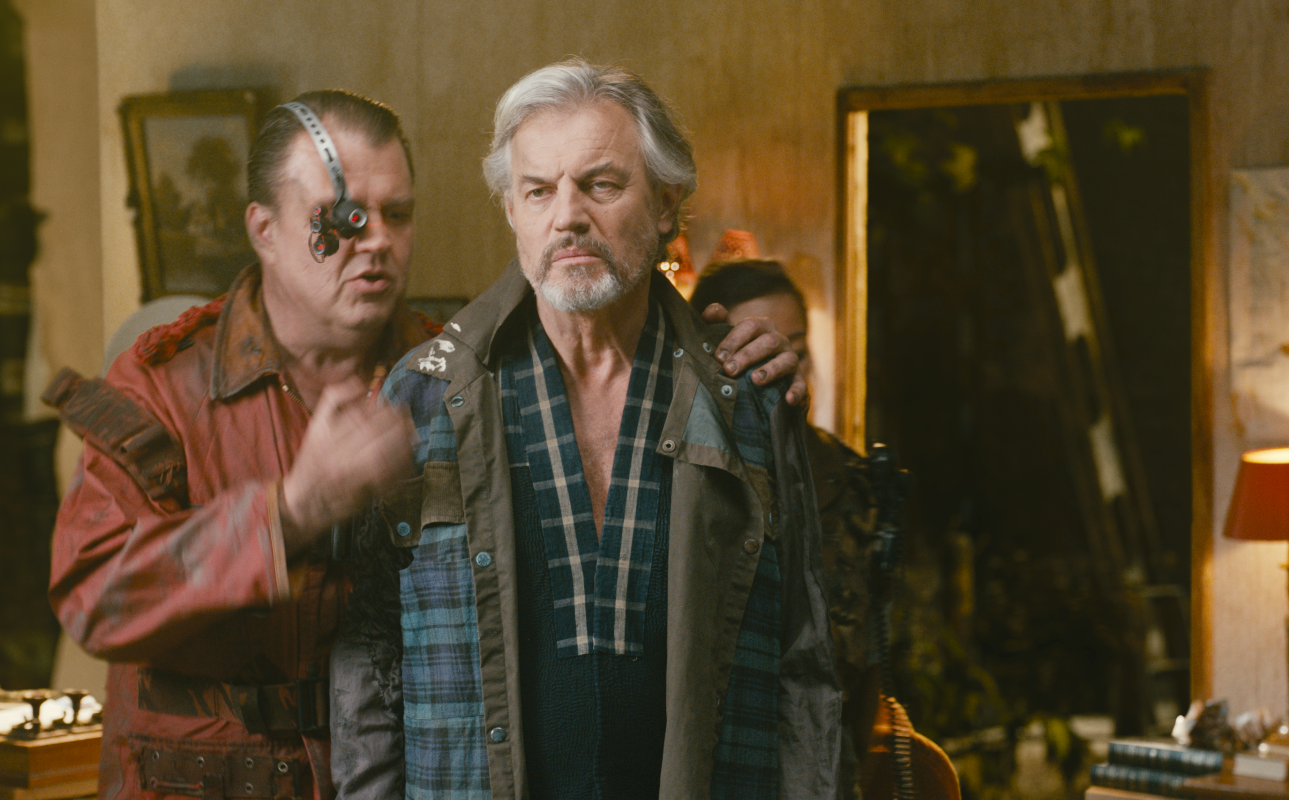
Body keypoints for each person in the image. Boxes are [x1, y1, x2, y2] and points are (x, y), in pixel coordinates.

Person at [45, 89, 802, 800]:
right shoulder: (169, 382)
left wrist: (729, 355)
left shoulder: (452, 375)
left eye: (397, 214)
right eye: (342, 219)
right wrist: (288, 513)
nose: (375, 240)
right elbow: (93, 598)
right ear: (265, 230)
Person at [334, 59, 840, 800]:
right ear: (513, 211)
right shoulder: (425, 398)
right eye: (539, 190)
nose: (567, 216)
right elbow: (369, 663)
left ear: (665, 204)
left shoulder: (747, 401)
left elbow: (805, 664)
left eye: (601, 185)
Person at [691, 259, 880, 794]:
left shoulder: (852, 485)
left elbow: (867, 678)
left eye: (794, 348)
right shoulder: (691, 478)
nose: (783, 367)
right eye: (760, 351)